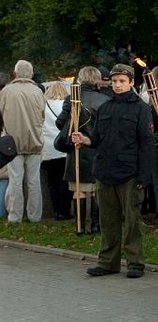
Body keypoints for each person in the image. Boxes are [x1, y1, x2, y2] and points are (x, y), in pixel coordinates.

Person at [71, 64, 154, 279]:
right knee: (108, 220)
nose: (117, 85)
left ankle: (135, 262)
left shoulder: (141, 109)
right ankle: (108, 262)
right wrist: (84, 139)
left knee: (132, 220)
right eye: (114, 81)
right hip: (105, 171)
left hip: (129, 173)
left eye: (122, 81)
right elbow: (97, 138)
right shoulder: (105, 107)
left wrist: (144, 177)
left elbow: (147, 144)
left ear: (131, 83)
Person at [56, 67, 112, 235]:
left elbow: (60, 123)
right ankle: (96, 225)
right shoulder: (104, 100)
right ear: (96, 79)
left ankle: (79, 226)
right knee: (96, 189)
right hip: (95, 149)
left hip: (76, 149)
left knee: (78, 190)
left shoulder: (71, 98)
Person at [0, 60, 45, 223]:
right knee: (34, 181)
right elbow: (42, 115)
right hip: (34, 141)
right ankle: (35, 216)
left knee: (15, 179)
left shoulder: (6, 91)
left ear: (16, 73)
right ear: (31, 73)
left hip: (11, 144)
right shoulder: (37, 91)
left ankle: (15, 216)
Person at [41, 82, 72, 221]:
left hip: (48, 148)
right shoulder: (67, 105)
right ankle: (64, 211)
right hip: (64, 147)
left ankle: (55, 211)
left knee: (52, 181)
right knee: (65, 181)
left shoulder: (44, 105)